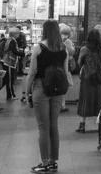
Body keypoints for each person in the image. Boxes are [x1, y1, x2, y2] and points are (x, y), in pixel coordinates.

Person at [26, 19, 69, 173]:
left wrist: (27, 92)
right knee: (54, 126)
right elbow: (65, 71)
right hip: (58, 90)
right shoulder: (63, 48)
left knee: (43, 127)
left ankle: (45, 162)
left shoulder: (38, 48)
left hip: (41, 88)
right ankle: (53, 161)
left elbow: (31, 73)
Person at [75, 28, 101, 133]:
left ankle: (82, 125)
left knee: (85, 100)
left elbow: (79, 62)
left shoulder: (84, 49)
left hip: (87, 78)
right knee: (99, 100)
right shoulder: (100, 49)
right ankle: (100, 125)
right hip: (98, 78)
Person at [59, 24, 75, 112]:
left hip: (58, 64)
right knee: (64, 85)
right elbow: (70, 51)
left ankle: (61, 105)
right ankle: (62, 105)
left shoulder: (57, 39)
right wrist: (73, 49)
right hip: (65, 64)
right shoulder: (67, 40)